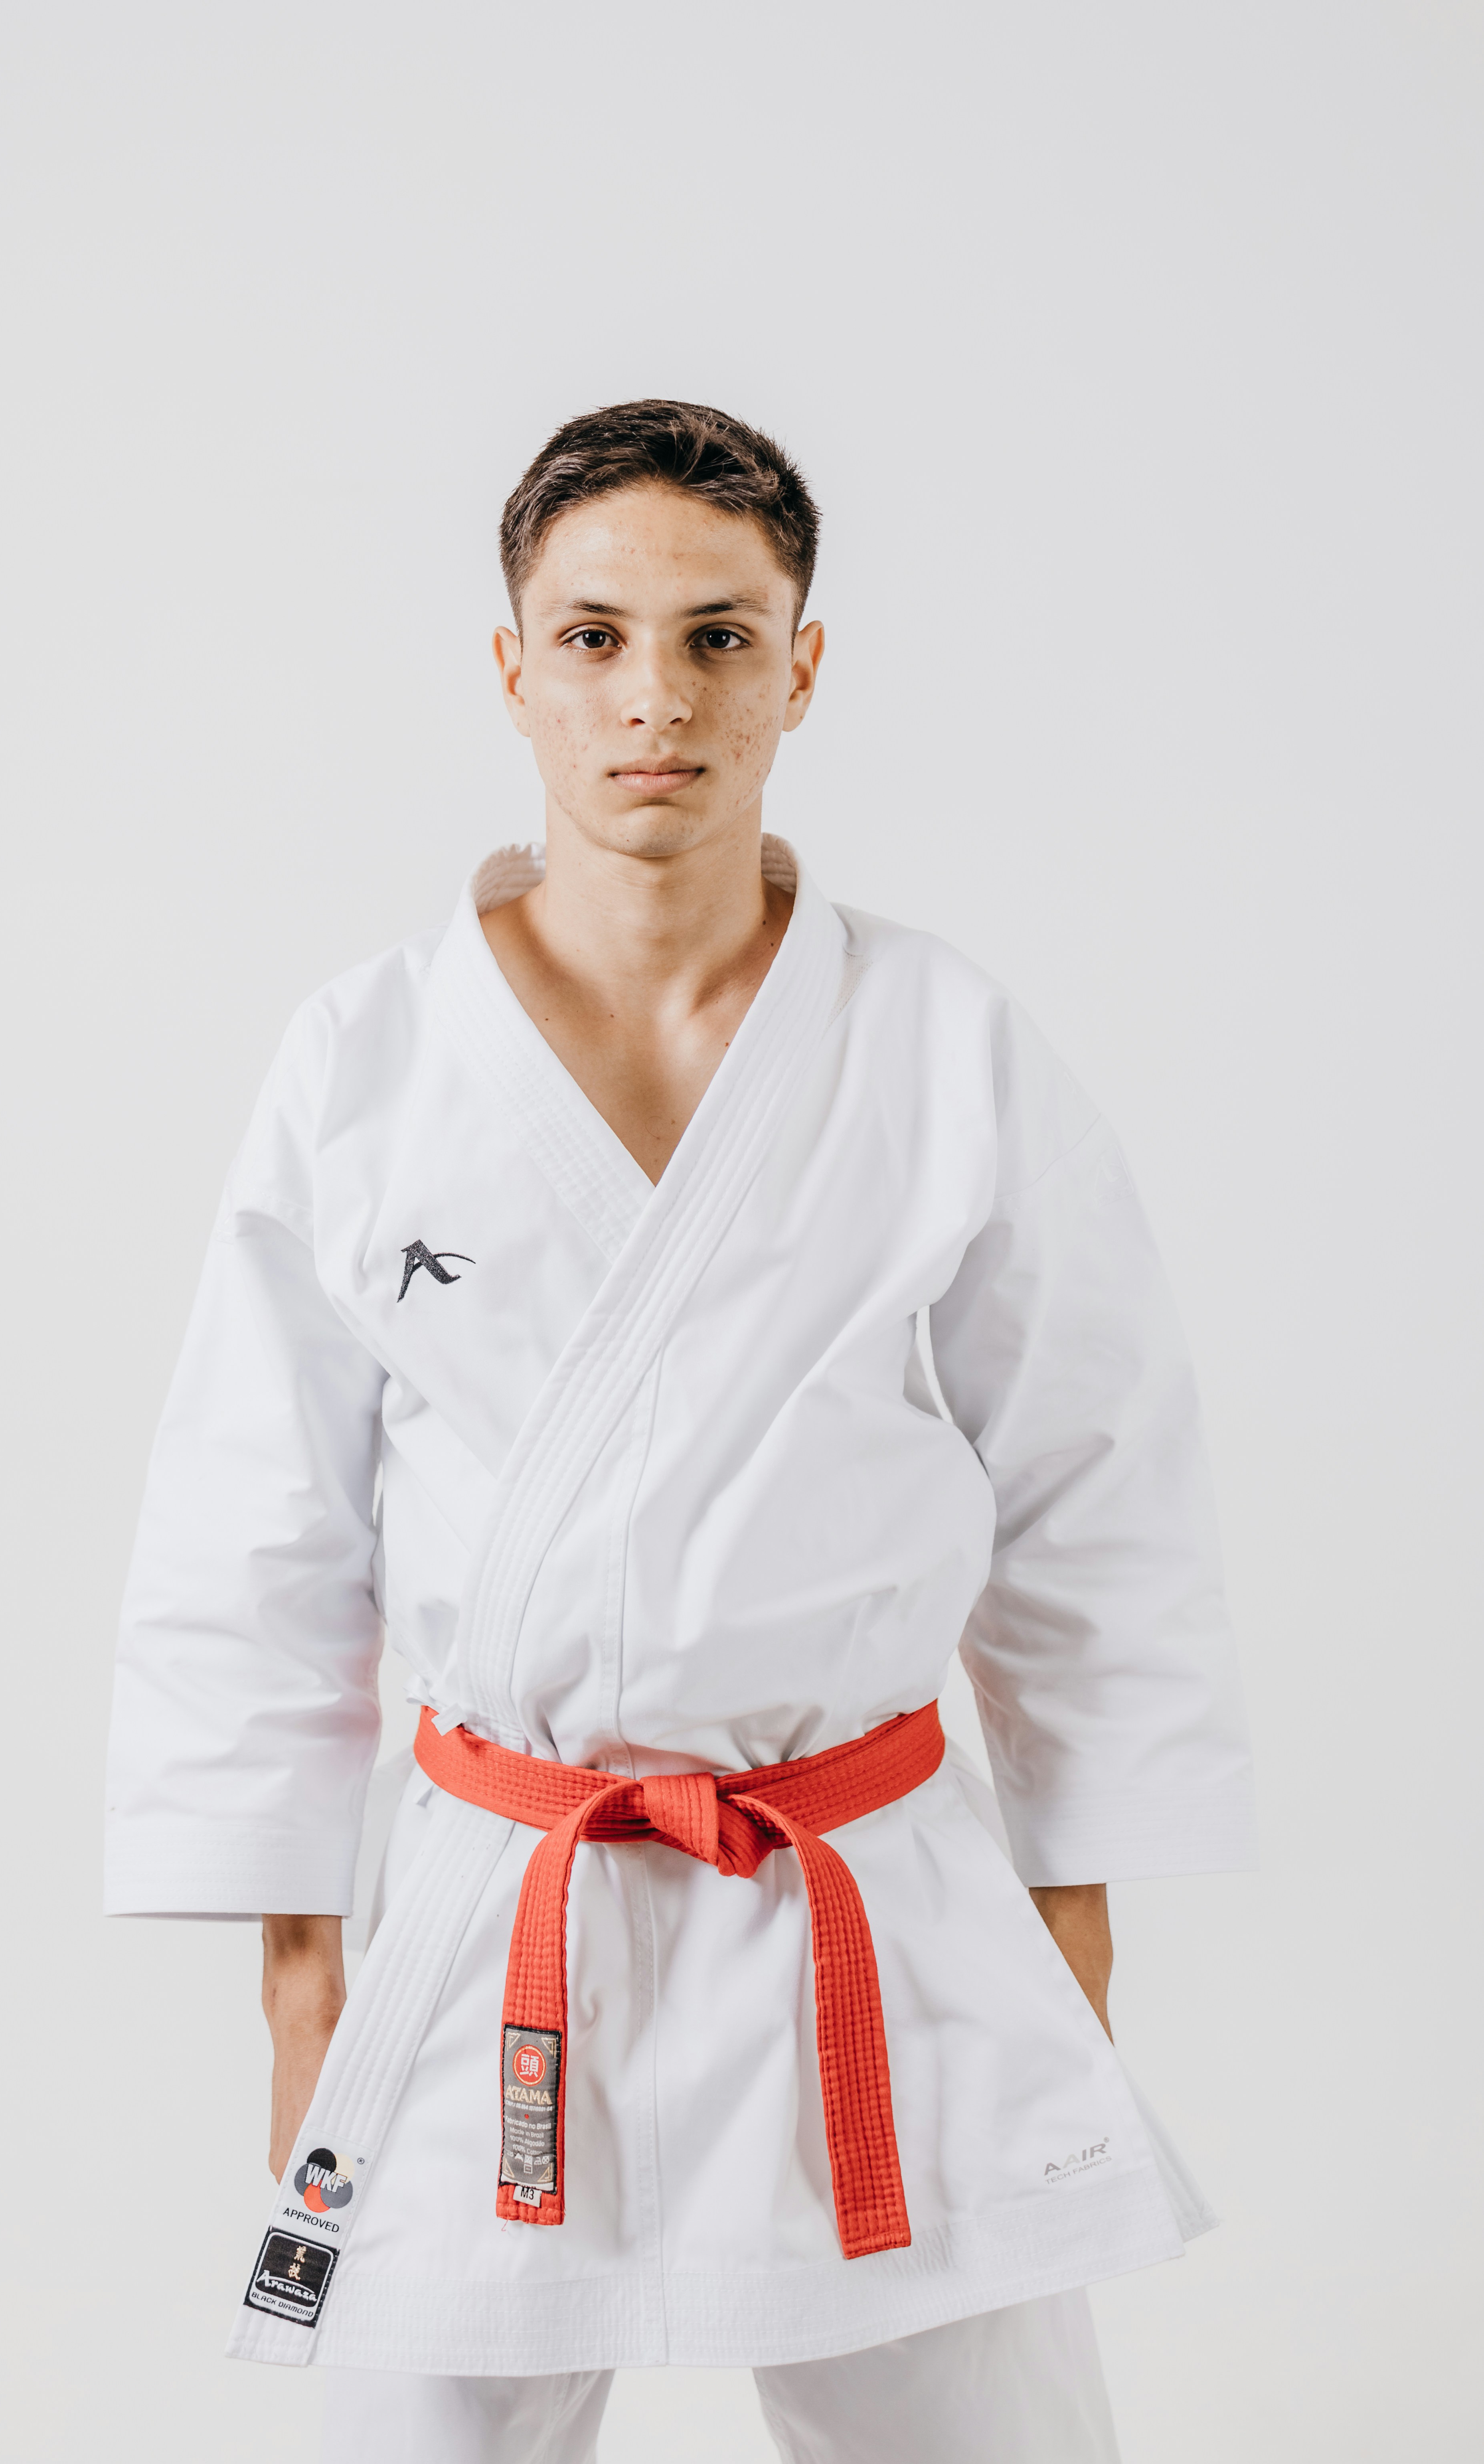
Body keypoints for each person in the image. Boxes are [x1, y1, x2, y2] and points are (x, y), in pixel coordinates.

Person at [105, 399, 1253, 2462]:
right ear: (513, 668)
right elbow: (257, 1540)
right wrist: (300, 1977)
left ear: (801, 668)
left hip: (867, 1889)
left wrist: (1071, 1912)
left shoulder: (938, 1043)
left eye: (720, 636)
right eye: (596, 637)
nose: (658, 697)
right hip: (492, 1901)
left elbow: (1099, 1498)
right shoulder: (370, 1059)